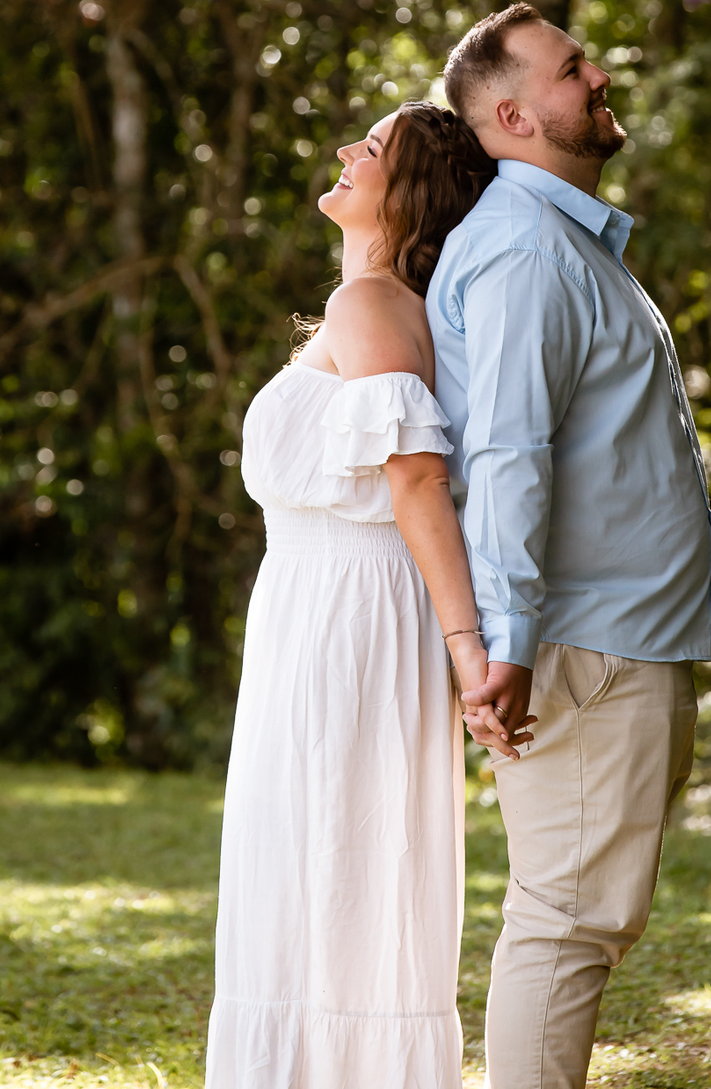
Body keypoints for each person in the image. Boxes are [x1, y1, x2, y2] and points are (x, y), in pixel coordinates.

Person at [427, 3, 711, 1089]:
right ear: (513, 114)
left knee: (582, 920)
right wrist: (504, 645)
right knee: (566, 925)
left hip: (619, 642)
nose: (599, 75)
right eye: (571, 69)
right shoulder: (523, 251)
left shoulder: (561, 242)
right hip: (583, 651)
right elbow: (509, 455)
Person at [206, 101, 521, 1089]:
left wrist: (469, 651)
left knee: (332, 875)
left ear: (412, 192)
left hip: (347, 619)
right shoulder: (370, 307)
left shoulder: (372, 306)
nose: (348, 151)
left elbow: (417, 478)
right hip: (320, 609)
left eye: (373, 148)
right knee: (321, 875)